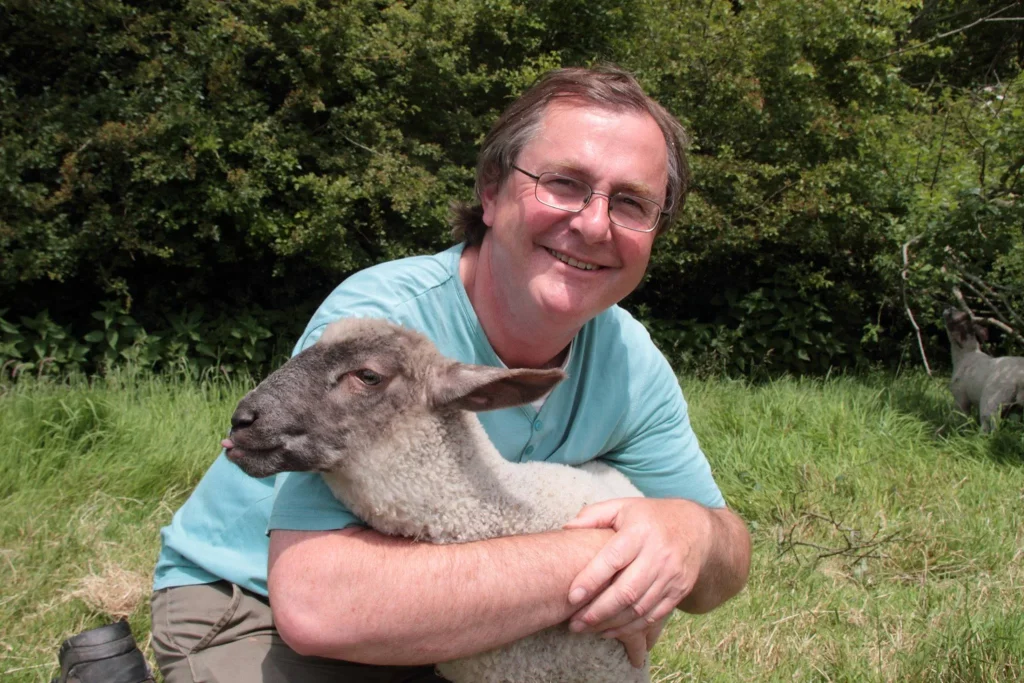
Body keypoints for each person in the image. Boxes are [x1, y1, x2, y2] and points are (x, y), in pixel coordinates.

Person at [150, 64, 751, 683]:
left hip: (454, 624)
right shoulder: (381, 330)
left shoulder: (628, 362)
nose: (594, 224)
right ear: (491, 193)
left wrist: (690, 535)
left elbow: (726, 563)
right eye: (564, 184)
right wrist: (602, 557)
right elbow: (319, 610)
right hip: (253, 605)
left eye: (630, 202)